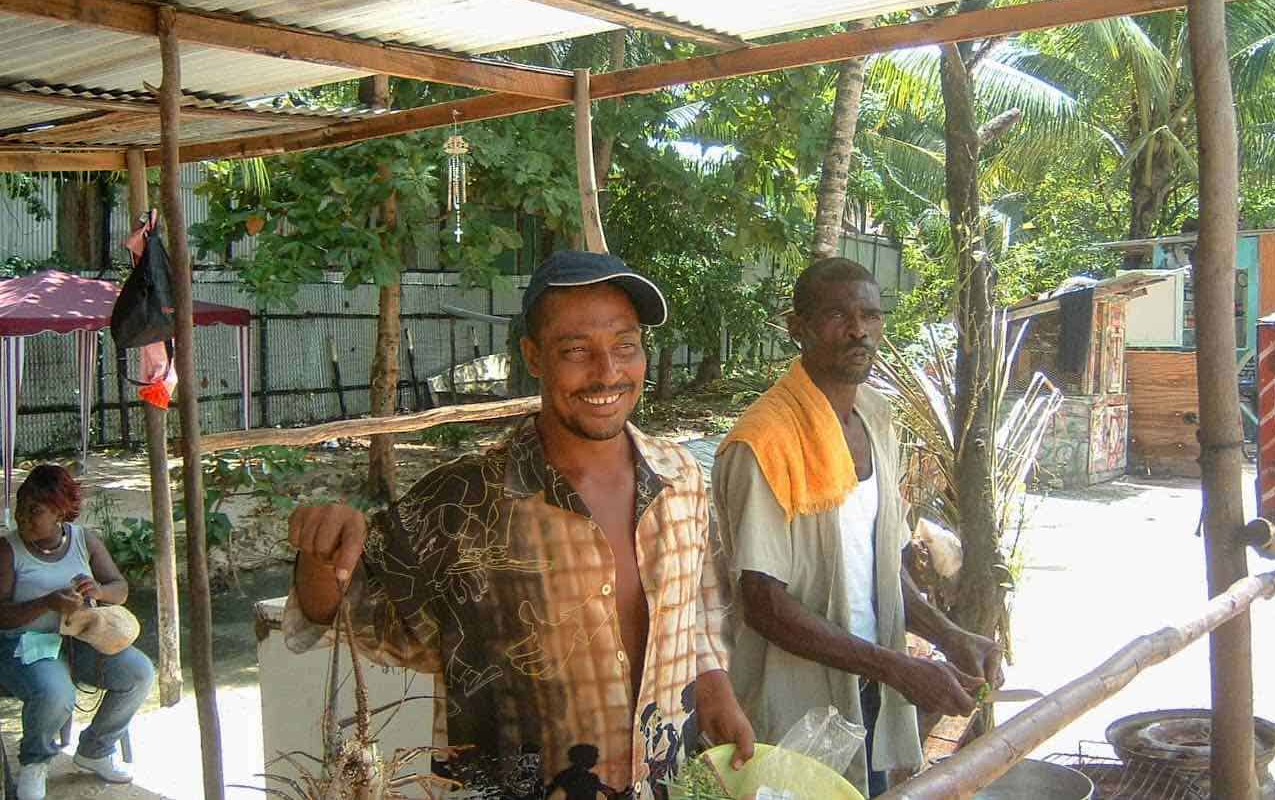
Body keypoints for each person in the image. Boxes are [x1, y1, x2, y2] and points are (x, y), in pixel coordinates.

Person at [286, 251, 754, 799]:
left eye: (625, 346)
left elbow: (699, 603)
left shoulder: (680, 479)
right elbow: (340, 610)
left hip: (667, 782)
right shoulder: (461, 502)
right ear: (533, 356)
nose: (607, 372)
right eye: (576, 350)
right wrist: (321, 553)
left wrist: (717, 690)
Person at [713, 257, 1002, 797]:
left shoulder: (876, 419)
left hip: (870, 686)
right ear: (796, 327)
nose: (857, 330)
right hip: (795, 702)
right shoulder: (764, 443)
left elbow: (883, 568)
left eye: (870, 314)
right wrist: (895, 666)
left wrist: (950, 636)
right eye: (836, 315)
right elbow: (764, 603)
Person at [0, 465, 155, 800]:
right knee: (57, 694)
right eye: (22, 506)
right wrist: (47, 603)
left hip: (81, 640)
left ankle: (96, 749)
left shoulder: (84, 540)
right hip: (24, 646)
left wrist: (98, 591)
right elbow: (1, 616)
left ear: (59, 512)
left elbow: (120, 589)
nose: (24, 518)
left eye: (35, 511)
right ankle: (35, 763)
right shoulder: (8, 550)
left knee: (139, 673)